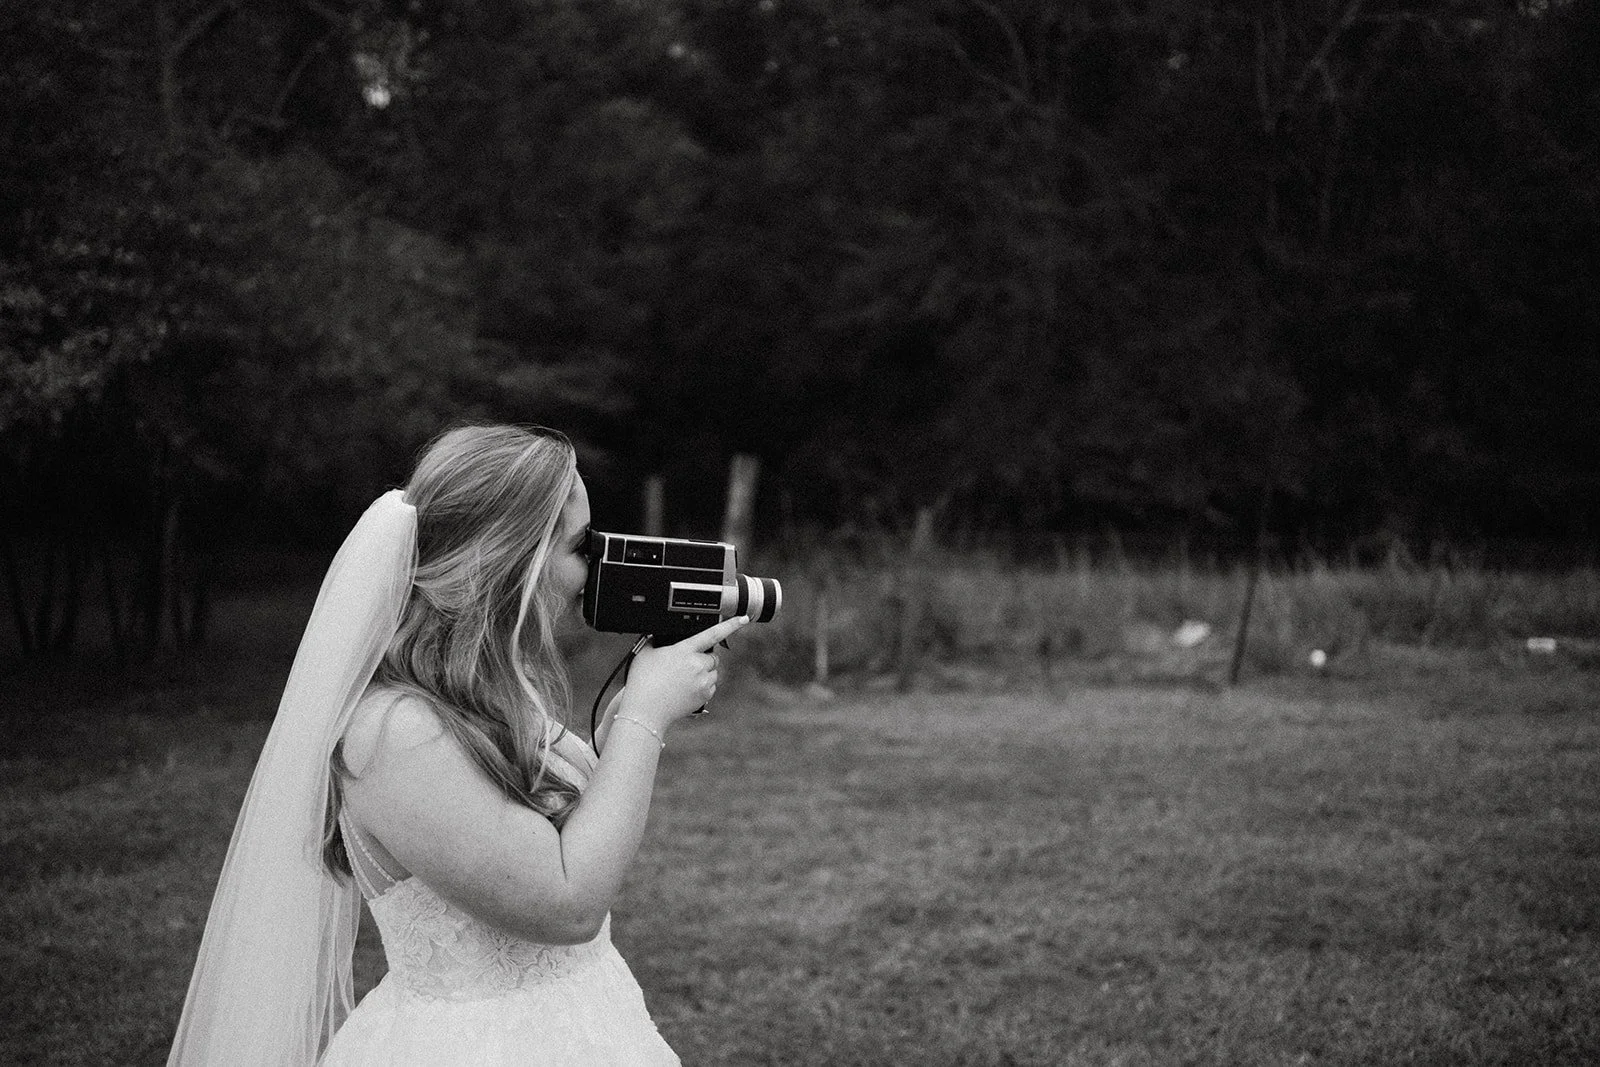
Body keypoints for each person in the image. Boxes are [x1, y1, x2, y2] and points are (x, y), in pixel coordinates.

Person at [168, 424, 748, 1065]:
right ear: (509, 559)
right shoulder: (395, 733)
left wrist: (612, 741)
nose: (595, 567)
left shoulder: (482, 693)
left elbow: (549, 842)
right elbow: (568, 904)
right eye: (580, 545)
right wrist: (643, 714)